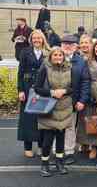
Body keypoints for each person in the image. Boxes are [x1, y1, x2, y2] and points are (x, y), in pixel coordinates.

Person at [34, 47, 74, 177]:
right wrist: (52, 92)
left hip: (64, 107)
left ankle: (59, 162)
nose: (58, 57)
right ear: (51, 57)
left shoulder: (69, 68)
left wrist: (65, 91)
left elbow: (74, 87)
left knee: (61, 137)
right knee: (48, 139)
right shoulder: (45, 68)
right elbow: (37, 88)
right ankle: (44, 165)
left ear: (63, 57)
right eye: (55, 55)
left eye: (60, 55)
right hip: (49, 108)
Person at [17, 30, 50, 158]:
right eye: (34, 38)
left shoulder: (48, 52)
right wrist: (20, 90)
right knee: (27, 119)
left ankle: (41, 146)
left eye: (39, 38)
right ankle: (28, 147)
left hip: (42, 89)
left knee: (42, 118)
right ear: (31, 39)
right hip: (27, 88)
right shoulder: (25, 52)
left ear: (43, 39)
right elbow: (20, 72)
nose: (37, 40)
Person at [60, 35, 91, 165]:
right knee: (56, 127)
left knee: (70, 127)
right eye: (65, 44)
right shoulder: (54, 57)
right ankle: (57, 152)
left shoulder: (81, 61)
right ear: (61, 45)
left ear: (75, 47)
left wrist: (82, 101)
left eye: (71, 44)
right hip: (56, 101)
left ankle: (68, 152)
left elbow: (85, 82)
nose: (68, 46)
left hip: (73, 101)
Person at [77, 39, 97, 160]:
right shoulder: (86, 61)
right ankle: (84, 143)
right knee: (85, 119)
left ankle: (95, 147)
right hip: (88, 93)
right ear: (93, 48)